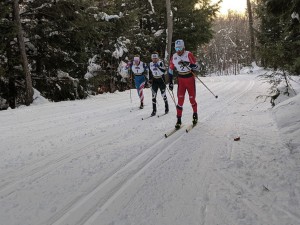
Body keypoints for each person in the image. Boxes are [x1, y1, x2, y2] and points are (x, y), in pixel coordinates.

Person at [168, 39, 199, 129]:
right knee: (180, 100)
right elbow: (170, 69)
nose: (178, 50)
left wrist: (189, 64)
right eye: (176, 48)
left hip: (189, 79)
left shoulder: (188, 54)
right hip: (181, 80)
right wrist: (170, 81)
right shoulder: (174, 57)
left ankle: (195, 115)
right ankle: (178, 120)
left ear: (184, 47)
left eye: (180, 48)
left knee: (192, 99)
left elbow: (197, 66)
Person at [148, 52, 169, 116]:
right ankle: (154, 110)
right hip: (155, 80)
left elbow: (165, 71)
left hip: (161, 79)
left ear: (158, 58)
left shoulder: (161, 63)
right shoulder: (150, 64)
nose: (154, 60)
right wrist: (150, 80)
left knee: (163, 94)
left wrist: (159, 67)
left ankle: (166, 108)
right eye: (153, 58)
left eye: (155, 58)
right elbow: (149, 72)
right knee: (153, 95)